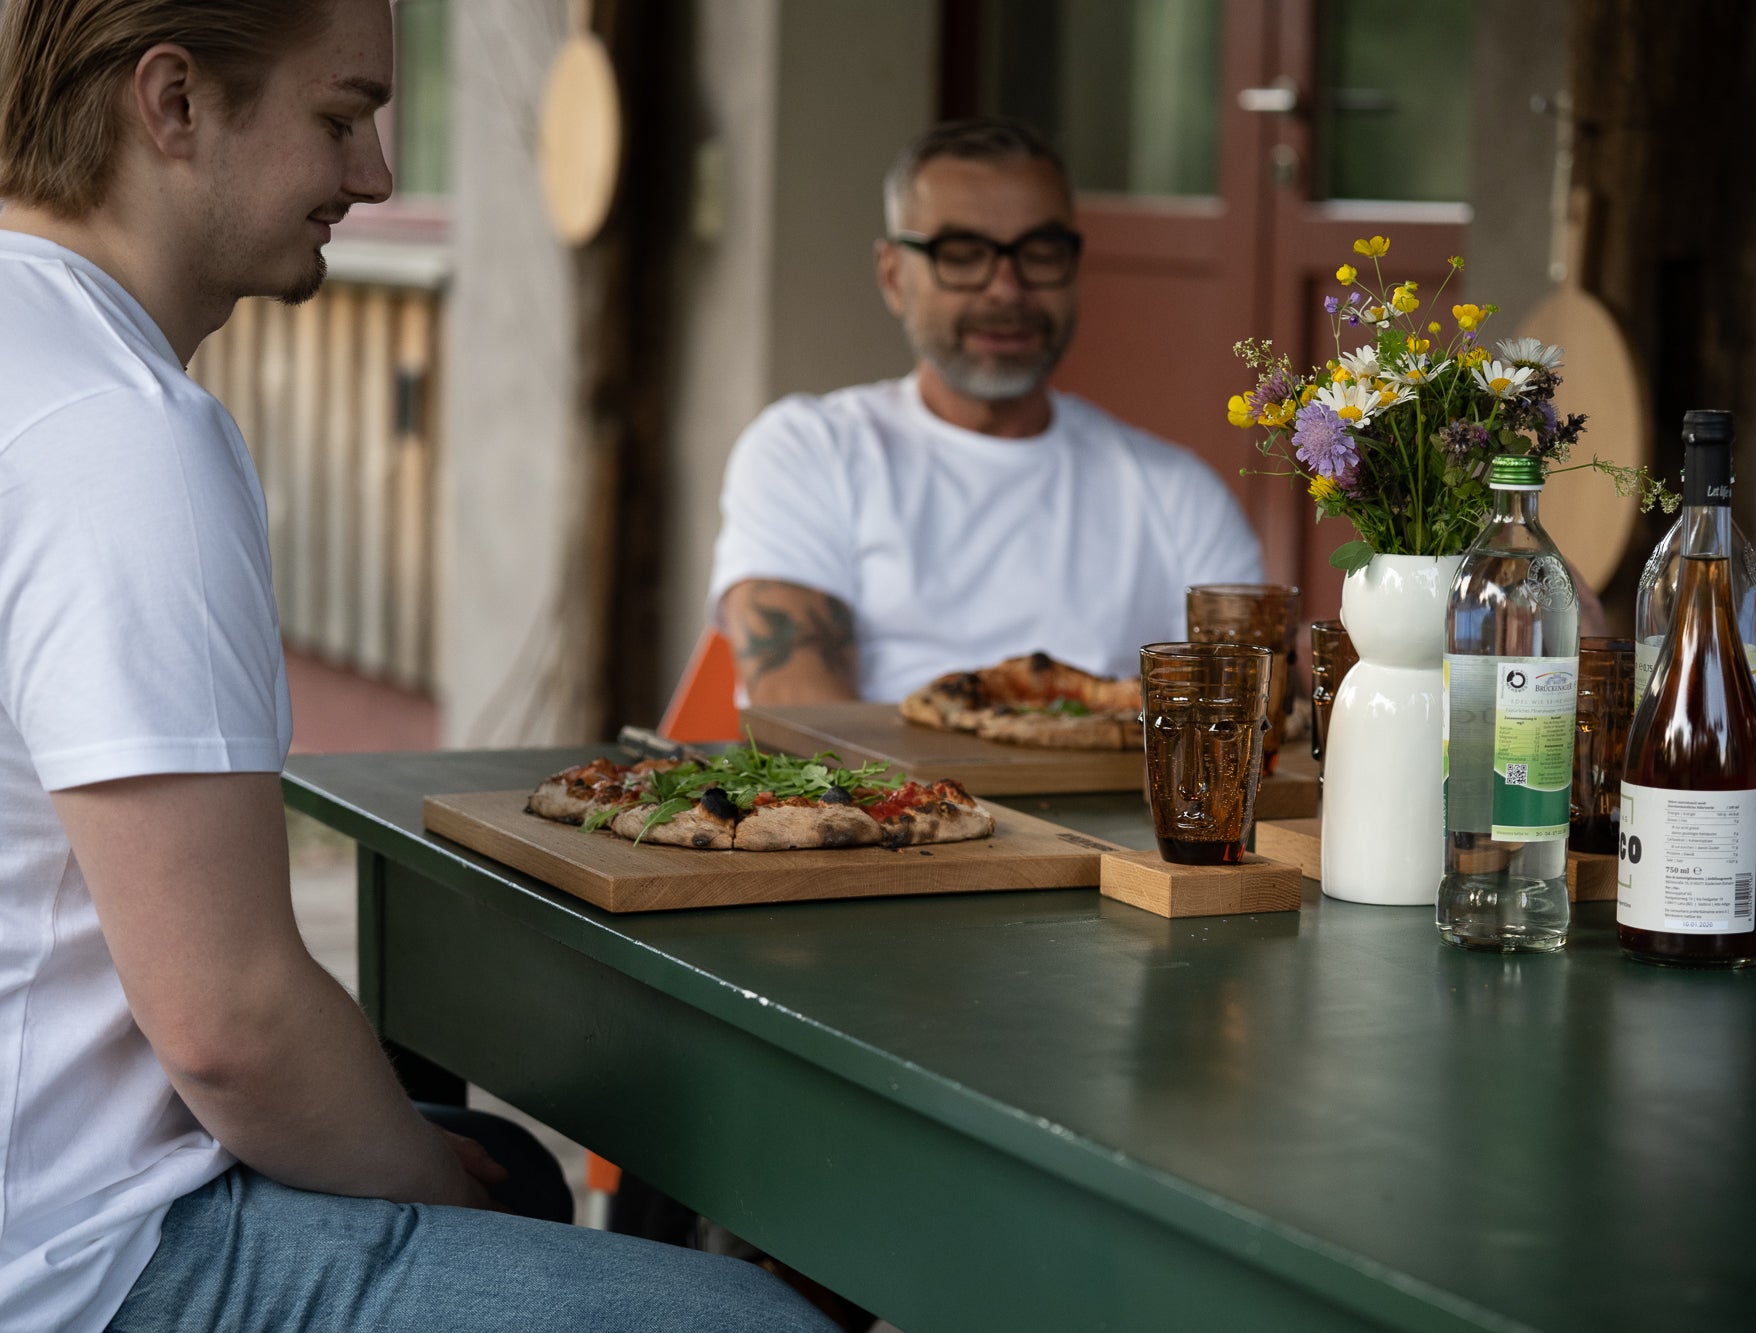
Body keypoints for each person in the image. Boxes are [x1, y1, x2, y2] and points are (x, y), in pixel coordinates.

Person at [0, 3, 835, 1330]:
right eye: (338, 119)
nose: (375, 174)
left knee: (508, 1164)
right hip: (74, 1262)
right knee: (754, 1319)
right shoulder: (122, 435)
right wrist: (443, 1210)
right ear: (171, 106)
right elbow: (230, 1023)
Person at [707, 117, 1266, 705]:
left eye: (1040, 252)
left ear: (1074, 268)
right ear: (894, 277)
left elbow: (1248, 726)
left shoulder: (1180, 494)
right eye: (963, 254)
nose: (1006, 287)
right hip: (875, 799)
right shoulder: (810, 450)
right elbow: (806, 723)